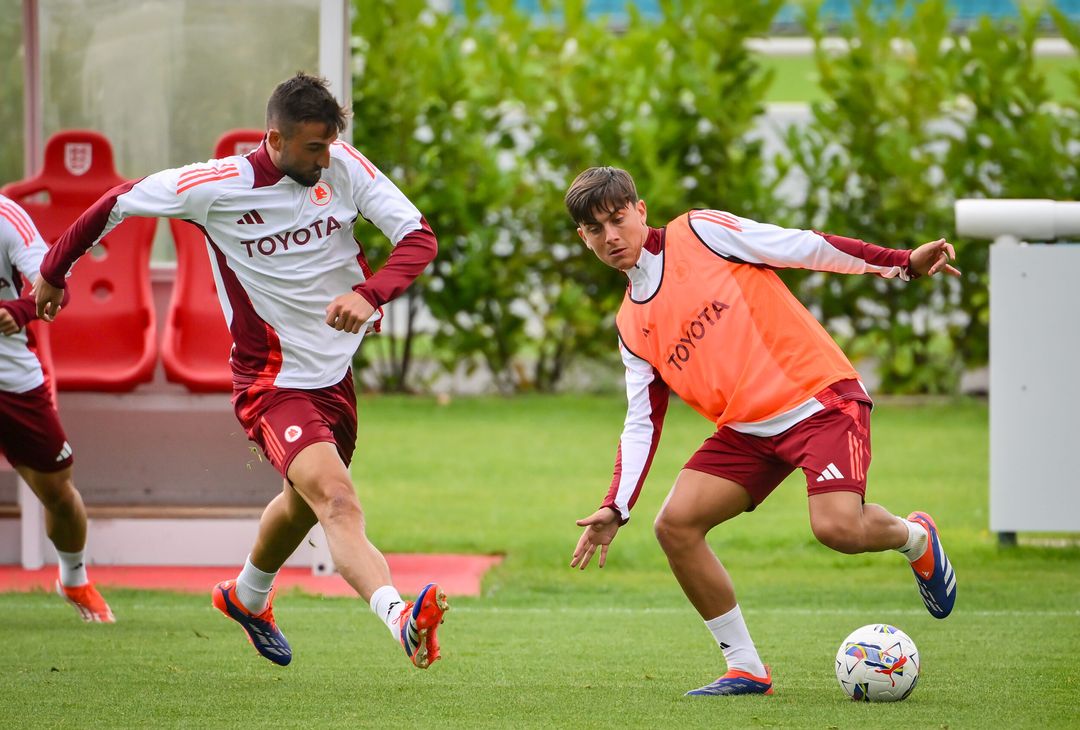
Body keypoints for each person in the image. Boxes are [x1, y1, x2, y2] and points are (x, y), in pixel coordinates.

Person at [33, 73, 447, 668]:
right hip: (271, 382)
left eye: (330, 144)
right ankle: (400, 618)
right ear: (274, 138)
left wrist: (370, 293)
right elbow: (116, 202)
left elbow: (418, 238)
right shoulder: (215, 187)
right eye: (313, 147)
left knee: (301, 505)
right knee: (337, 500)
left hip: (334, 375)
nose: (325, 159)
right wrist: (54, 271)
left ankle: (246, 596)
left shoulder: (342, 166)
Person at [565, 166, 958, 696]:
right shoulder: (631, 327)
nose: (611, 236)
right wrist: (616, 506)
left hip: (819, 399)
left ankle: (915, 537)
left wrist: (900, 263)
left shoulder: (698, 231)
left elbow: (802, 246)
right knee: (675, 526)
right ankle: (746, 668)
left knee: (837, 530)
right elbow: (642, 422)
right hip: (748, 432)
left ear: (640, 210)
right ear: (583, 238)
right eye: (596, 229)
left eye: (617, 219)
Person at [0, 193, 114, 623]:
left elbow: (55, 290)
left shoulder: (7, 219)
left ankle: (74, 579)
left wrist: (20, 309)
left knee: (58, 493)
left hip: (11, 378)